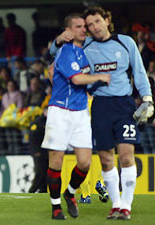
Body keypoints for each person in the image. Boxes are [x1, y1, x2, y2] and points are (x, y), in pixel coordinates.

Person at [81, 7, 154, 220]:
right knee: (105, 159)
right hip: (100, 106)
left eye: (97, 21)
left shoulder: (126, 42)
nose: (94, 27)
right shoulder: (86, 46)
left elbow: (139, 72)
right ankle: (116, 204)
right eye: (90, 24)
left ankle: (127, 206)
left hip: (124, 105)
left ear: (106, 20)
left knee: (126, 155)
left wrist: (147, 99)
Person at [41, 13, 110, 220]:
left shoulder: (87, 50)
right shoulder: (66, 51)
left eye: (84, 26)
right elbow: (77, 79)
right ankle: (55, 207)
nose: (84, 29)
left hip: (80, 112)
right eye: (79, 26)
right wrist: (100, 77)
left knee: (85, 163)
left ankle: (69, 192)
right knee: (56, 161)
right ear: (69, 31)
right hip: (60, 111)